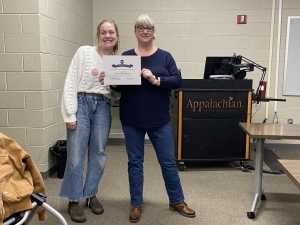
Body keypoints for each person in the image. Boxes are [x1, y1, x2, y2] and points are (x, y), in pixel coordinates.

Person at [100, 14, 195, 223]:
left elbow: (177, 80)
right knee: (135, 162)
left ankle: (177, 201)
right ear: (135, 31)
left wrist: (155, 79)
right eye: (141, 27)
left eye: (149, 28)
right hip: (132, 118)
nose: (145, 31)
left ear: (153, 32)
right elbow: (118, 86)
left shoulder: (165, 57)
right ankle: (136, 204)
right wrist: (112, 81)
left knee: (168, 162)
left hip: (159, 120)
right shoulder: (125, 56)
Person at [59, 19, 120, 223]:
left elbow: (114, 95)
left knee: (99, 153)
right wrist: (70, 113)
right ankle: (73, 199)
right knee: (76, 155)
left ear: (116, 36)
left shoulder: (116, 62)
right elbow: (70, 81)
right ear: (98, 35)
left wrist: (111, 83)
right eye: (103, 32)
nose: (107, 36)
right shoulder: (84, 52)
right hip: (82, 103)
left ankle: (91, 195)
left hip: (103, 106)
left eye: (111, 32)